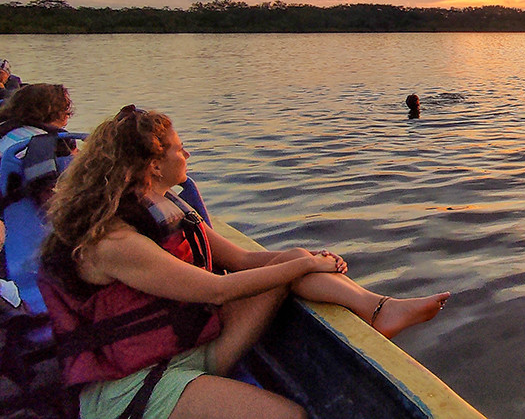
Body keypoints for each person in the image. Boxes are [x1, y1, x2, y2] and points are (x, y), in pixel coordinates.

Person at [38, 106, 450, 419]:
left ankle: (378, 309)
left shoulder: (165, 207)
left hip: (189, 347)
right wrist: (302, 267)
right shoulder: (113, 241)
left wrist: (307, 258)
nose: (187, 154)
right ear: (154, 165)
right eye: (180, 148)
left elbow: (243, 259)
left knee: (293, 258)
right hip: (133, 385)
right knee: (289, 416)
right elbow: (218, 289)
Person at [0, 83, 77, 207]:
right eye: (66, 109)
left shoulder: (7, 132)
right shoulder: (48, 143)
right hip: (22, 210)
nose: (68, 114)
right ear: (57, 113)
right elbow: (49, 196)